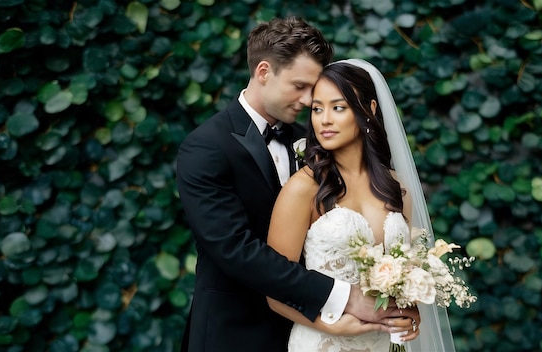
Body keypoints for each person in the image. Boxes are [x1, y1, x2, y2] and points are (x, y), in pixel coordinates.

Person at [176, 18, 418, 352]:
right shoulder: (206, 147)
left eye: (315, 92)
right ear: (264, 71)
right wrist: (344, 298)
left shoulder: (315, 142)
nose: (308, 102)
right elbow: (235, 249)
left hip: (314, 330)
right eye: (300, 86)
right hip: (235, 332)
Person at [266, 59, 457, 351]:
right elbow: (274, 291)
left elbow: (407, 271)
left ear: (369, 110)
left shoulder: (396, 188)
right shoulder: (303, 188)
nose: (324, 120)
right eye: (317, 109)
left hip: (383, 344)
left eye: (338, 107)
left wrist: (408, 312)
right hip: (324, 343)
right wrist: (329, 322)